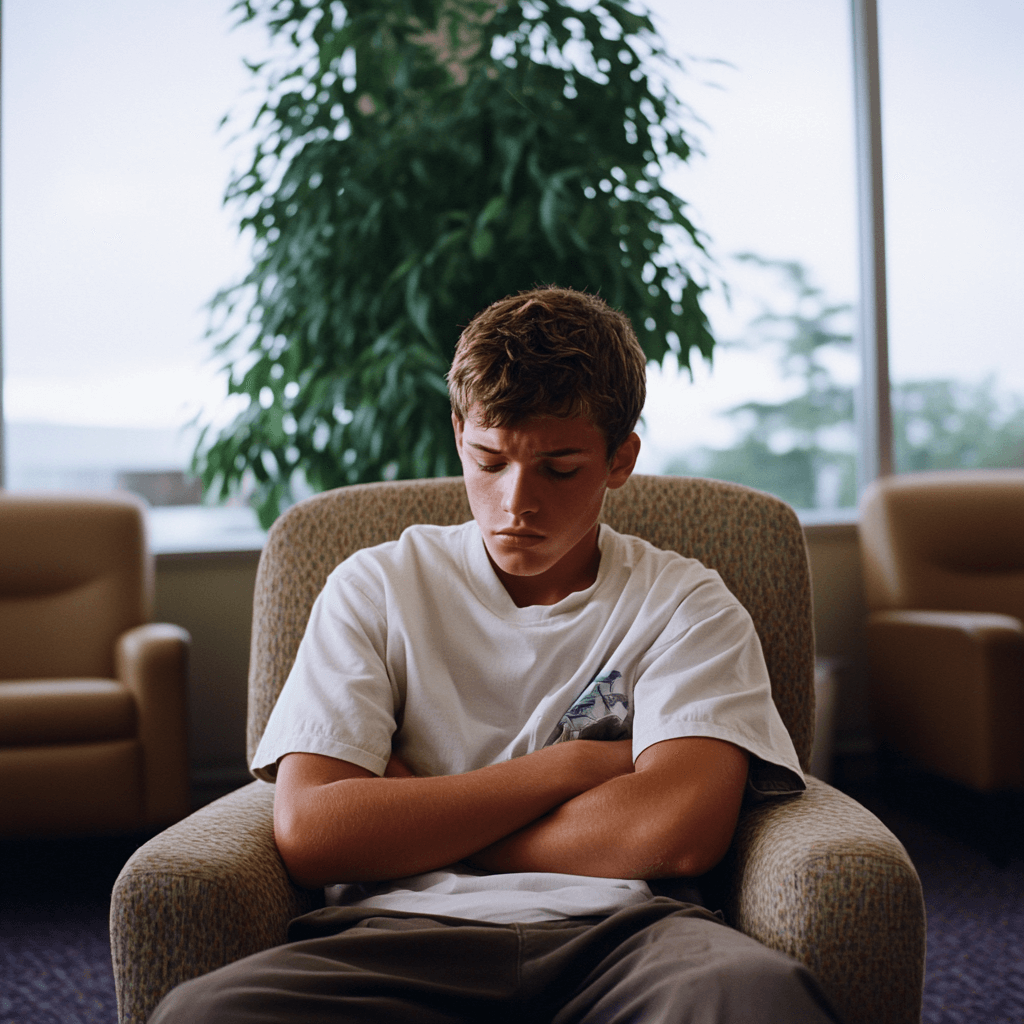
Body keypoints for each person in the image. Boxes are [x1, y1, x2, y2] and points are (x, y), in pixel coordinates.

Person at [150, 286, 841, 1023]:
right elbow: (315, 832)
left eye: (559, 468)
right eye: (489, 459)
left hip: (628, 938)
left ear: (620, 457)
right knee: (205, 1013)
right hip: (390, 941)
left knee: (755, 999)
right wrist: (572, 768)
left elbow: (676, 834)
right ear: (459, 433)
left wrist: (416, 817)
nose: (517, 503)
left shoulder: (686, 603)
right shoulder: (375, 587)